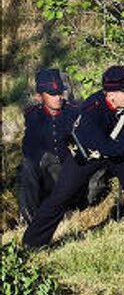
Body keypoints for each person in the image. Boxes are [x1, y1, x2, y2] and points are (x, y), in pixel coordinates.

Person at [23, 65, 124, 250]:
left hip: (122, 151)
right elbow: (103, 146)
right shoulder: (91, 109)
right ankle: (32, 243)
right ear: (110, 94)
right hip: (89, 154)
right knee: (60, 197)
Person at [16, 69, 79, 223]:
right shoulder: (32, 115)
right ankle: (31, 220)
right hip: (44, 176)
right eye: (52, 94)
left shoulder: (73, 112)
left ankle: (66, 209)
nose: (58, 97)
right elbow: (28, 149)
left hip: (68, 175)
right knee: (27, 167)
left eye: (60, 92)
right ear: (39, 96)